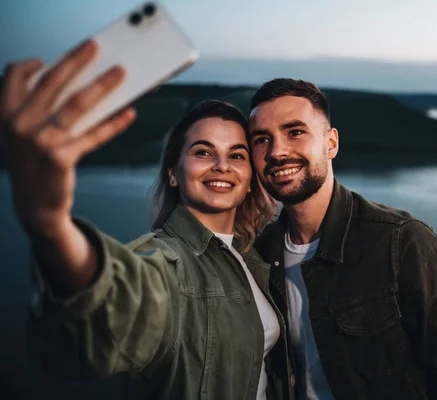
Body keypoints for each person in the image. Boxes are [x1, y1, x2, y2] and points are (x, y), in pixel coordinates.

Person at [0, 40, 291, 400]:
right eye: (203, 152)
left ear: (249, 180)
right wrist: (51, 225)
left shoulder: (256, 259)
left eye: (237, 155)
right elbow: (110, 311)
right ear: (173, 173)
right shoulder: (162, 262)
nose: (222, 166)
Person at [249, 78, 437, 399]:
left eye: (295, 132)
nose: (277, 151)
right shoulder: (259, 251)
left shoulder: (402, 242)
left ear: (331, 143)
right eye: (261, 139)